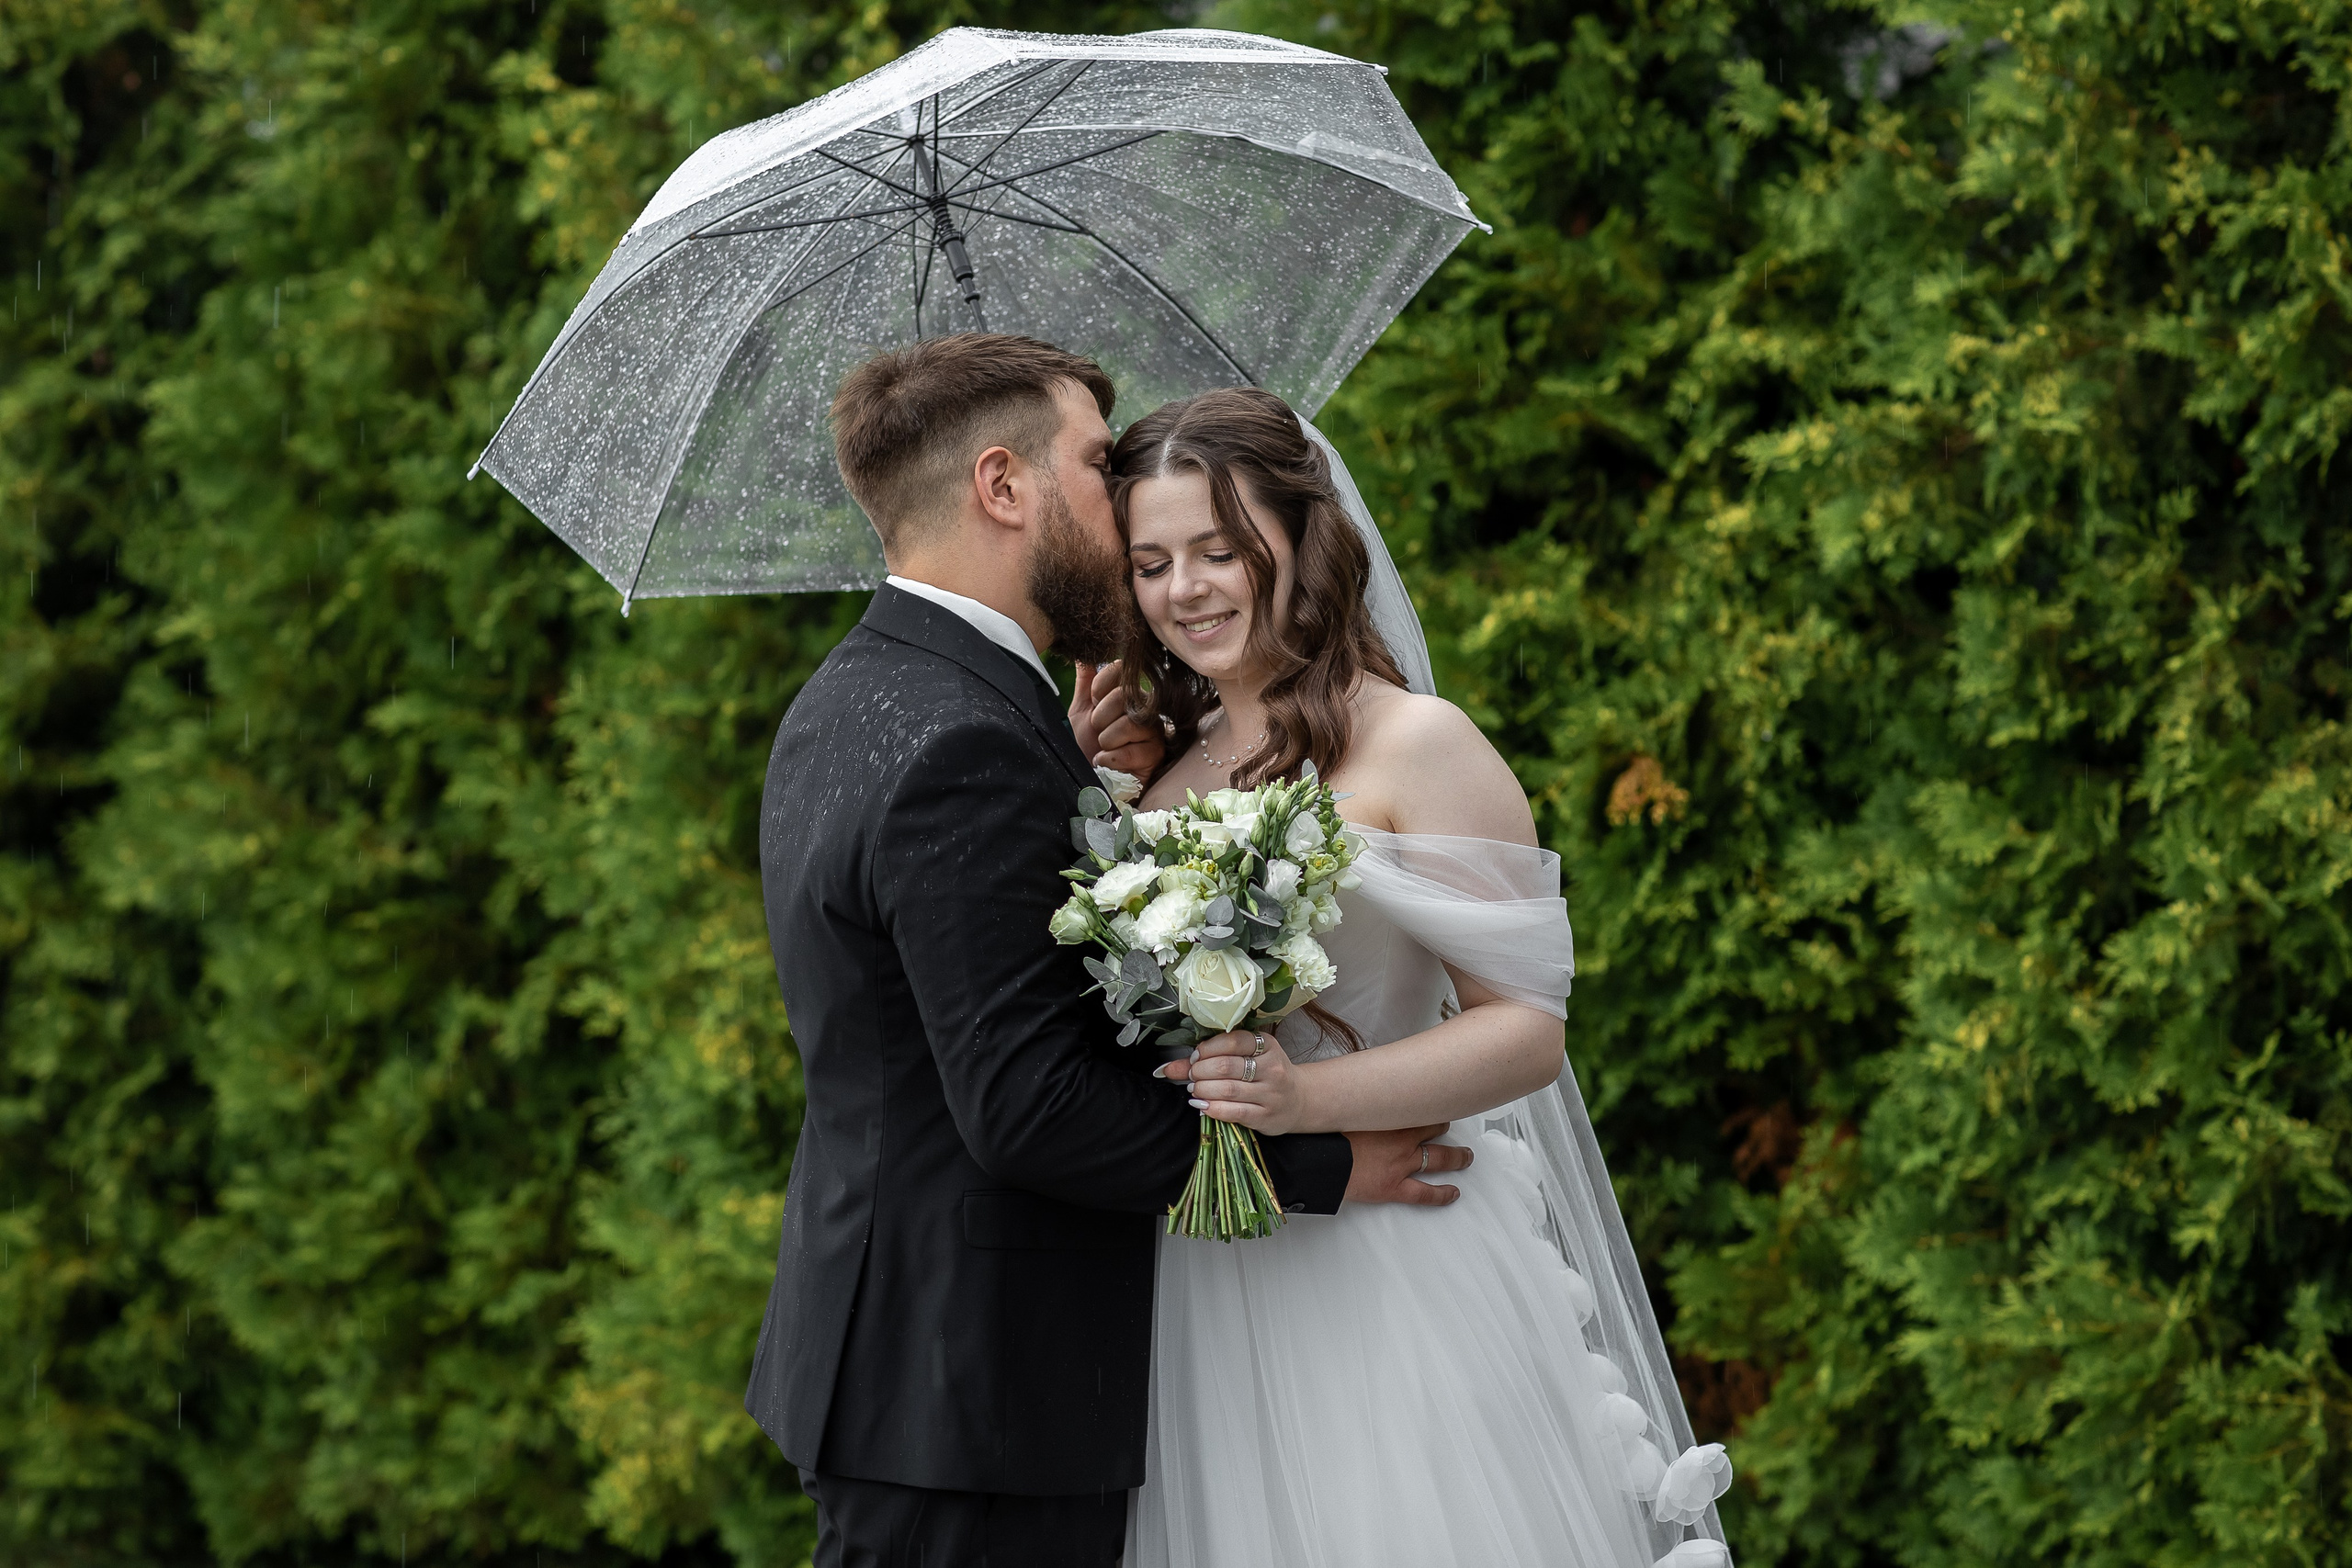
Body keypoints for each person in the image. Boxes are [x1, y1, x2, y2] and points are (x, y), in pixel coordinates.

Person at [741, 335, 1465, 1568]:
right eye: (1090, 460)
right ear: (1002, 486)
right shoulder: (965, 737)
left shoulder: (864, 692)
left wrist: (1072, 787)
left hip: (908, 1364)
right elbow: (1026, 1102)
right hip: (974, 1392)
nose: (1116, 489)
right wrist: (1318, 1168)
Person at [1087, 386, 1736, 1568]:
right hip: (1205, 1278)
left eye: (1220, 550)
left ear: (1303, 539)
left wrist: (1306, 1102)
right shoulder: (1157, 778)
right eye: (1149, 562)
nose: (1184, 590)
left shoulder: (1418, 743)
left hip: (1390, 1253)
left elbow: (1524, 1033)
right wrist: (1095, 787)